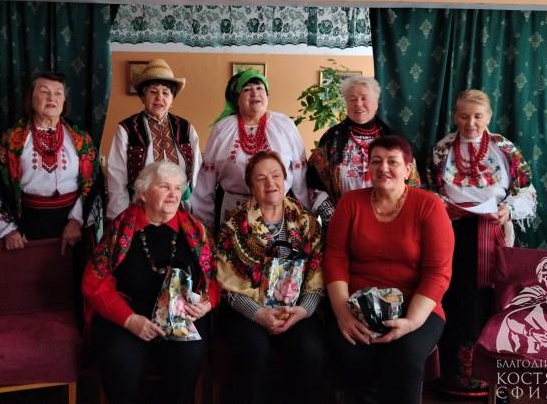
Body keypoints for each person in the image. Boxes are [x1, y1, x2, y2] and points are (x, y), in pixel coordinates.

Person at [324, 135, 453, 404]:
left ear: (408, 169)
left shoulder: (429, 206)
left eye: (392, 162)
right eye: (376, 161)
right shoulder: (350, 203)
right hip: (356, 305)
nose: (383, 168)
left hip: (416, 306)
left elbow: (437, 272)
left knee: (404, 355)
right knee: (351, 353)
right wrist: (343, 314)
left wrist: (411, 322)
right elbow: (335, 258)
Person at [427, 89, 537, 395]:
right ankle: (453, 377)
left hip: (493, 233)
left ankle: (491, 379)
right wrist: (440, 205)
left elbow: (527, 191)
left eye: (477, 116)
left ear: (488, 116)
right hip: (452, 233)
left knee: (491, 301)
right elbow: (428, 188)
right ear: (455, 116)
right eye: (464, 116)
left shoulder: (505, 148)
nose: (470, 123)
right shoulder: (443, 149)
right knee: (454, 298)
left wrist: (508, 210)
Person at [82, 161, 218, 404]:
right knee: (121, 361)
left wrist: (206, 303)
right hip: (127, 314)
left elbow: (215, 276)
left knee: (188, 357)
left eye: (178, 188)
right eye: (164, 186)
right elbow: (95, 282)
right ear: (143, 193)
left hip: (180, 316)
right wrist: (130, 320)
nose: (173, 194)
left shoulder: (196, 231)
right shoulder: (120, 231)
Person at [216, 151, 325, 404]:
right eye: (261, 178)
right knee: (253, 351)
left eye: (276, 175)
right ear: (251, 186)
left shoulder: (306, 222)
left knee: (310, 352)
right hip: (249, 311)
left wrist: (303, 310)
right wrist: (259, 314)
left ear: (285, 180)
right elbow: (228, 285)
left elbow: (317, 274)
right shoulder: (234, 225)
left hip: (296, 309)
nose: (270, 183)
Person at [0, 71, 103, 254]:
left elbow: (93, 183)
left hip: (72, 226)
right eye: (44, 92)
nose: (52, 98)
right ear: (30, 98)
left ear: (64, 101)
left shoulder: (81, 138)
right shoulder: (11, 139)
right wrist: (9, 228)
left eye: (58, 93)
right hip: (26, 226)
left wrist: (76, 221)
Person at [191, 69, 310, 231]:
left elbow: (300, 176)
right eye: (247, 89)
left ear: (267, 95)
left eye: (260, 88)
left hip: (277, 210)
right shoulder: (222, 129)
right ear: (237, 99)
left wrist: (305, 216)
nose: (255, 93)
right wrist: (205, 224)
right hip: (233, 210)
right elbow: (206, 181)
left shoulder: (284, 125)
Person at [307, 75, 420, 231]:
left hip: (390, 222)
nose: (358, 104)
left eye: (364, 98)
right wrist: (335, 218)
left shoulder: (394, 139)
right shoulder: (331, 139)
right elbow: (313, 182)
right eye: (352, 99)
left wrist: (399, 215)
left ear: (376, 103)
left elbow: (412, 181)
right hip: (342, 222)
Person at [107, 58, 201, 220]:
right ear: (143, 97)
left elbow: (197, 173)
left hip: (180, 210)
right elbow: (117, 177)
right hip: (140, 211)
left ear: (172, 99)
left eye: (165, 92)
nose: (159, 97)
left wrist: (196, 212)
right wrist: (120, 217)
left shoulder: (185, 128)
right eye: (153, 91)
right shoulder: (128, 128)